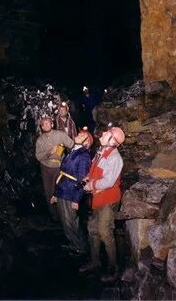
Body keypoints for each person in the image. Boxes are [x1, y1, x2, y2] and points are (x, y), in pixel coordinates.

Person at [79, 125, 125, 283]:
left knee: (105, 231)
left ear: (113, 141)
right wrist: (88, 177)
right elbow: (95, 170)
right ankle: (94, 261)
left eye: (107, 133)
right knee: (92, 229)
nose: (104, 133)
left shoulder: (115, 158)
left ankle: (113, 267)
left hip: (108, 199)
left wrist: (91, 185)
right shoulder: (101, 151)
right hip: (97, 198)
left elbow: (109, 180)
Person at [50, 127, 93, 255]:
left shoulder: (84, 156)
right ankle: (73, 243)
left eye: (81, 135)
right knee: (65, 221)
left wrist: (76, 199)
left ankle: (80, 247)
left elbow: (82, 179)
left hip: (70, 193)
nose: (78, 135)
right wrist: (56, 194)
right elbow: (63, 174)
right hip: (63, 190)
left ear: (86, 142)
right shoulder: (73, 151)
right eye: (79, 134)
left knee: (71, 222)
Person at [35, 115, 73, 219]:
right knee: (49, 191)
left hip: (59, 166)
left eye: (48, 123)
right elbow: (38, 156)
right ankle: (54, 215)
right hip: (46, 167)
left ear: (52, 124)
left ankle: (64, 214)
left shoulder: (60, 135)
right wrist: (49, 152)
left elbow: (72, 145)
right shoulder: (40, 140)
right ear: (41, 127)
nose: (46, 125)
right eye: (43, 124)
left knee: (60, 190)